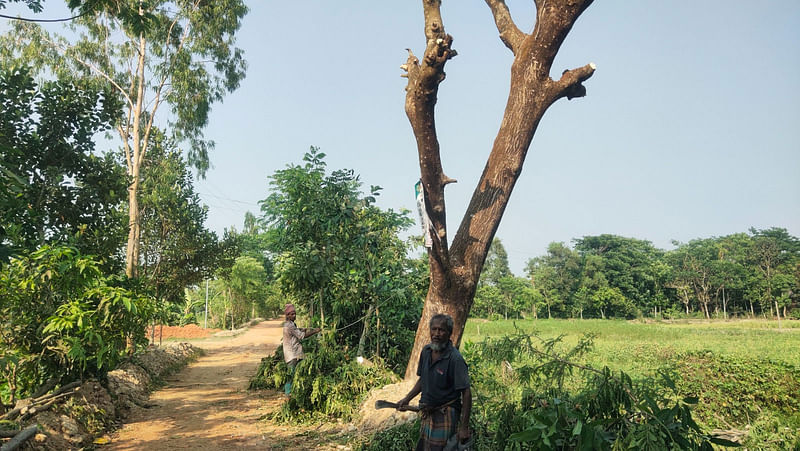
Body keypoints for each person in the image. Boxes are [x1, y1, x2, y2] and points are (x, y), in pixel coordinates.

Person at [397, 313, 472, 451]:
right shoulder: (426, 352)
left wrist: (464, 427)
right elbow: (423, 380)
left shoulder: (455, 359)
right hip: (428, 412)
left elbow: (466, 393)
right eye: (434, 329)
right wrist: (407, 399)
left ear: (449, 333)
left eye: (441, 330)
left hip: (446, 413)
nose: (437, 333)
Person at [282, 303, 321, 396]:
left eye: (295, 313)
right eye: (292, 314)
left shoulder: (289, 324)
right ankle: (288, 394)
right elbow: (301, 336)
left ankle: (293, 392)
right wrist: (315, 331)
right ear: (287, 315)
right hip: (292, 354)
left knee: (296, 373)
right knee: (290, 375)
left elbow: (296, 332)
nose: (294, 315)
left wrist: (302, 329)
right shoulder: (290, 326)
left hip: (294, 353)